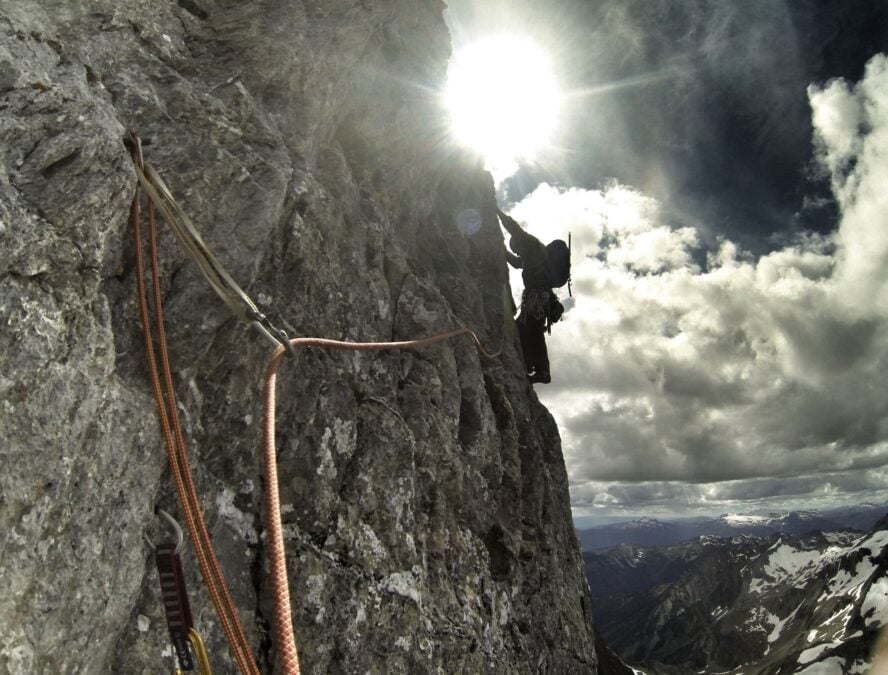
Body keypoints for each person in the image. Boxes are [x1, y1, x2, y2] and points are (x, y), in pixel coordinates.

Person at [496, 207, 566, 384]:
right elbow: (517, 262)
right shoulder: (531, 256)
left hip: (538, 298)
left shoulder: (532, 246)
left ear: (520, 244)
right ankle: (528, 364)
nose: (519, 253)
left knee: (534, 330)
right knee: (521, 327)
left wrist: (497, 211)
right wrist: (503, 252)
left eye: (518, 250)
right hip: (538, 298)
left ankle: (543, 372)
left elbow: (514, 228)